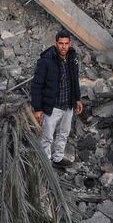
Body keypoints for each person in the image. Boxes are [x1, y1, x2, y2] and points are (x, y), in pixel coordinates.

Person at [31, 30, 84, 168]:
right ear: (56, 43)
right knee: (47, 137)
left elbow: (74, 80)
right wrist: (37, 108)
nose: (64, 46)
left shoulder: (73, 58)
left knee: (63, 133)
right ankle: (45, 163)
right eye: (61, 43)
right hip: (52, 106)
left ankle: (58, 158)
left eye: (66, 43)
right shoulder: (46, 60)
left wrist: (77, 99)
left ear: (70, 44)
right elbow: (36, 85)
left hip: (68, 105)